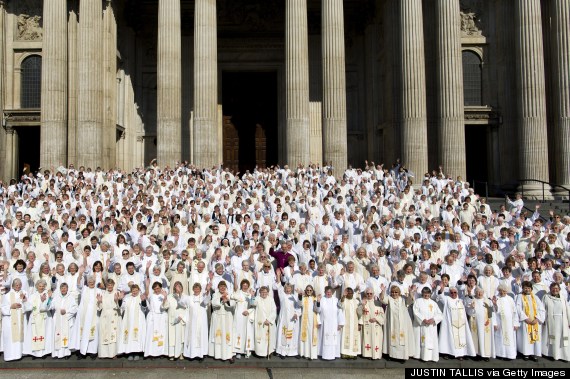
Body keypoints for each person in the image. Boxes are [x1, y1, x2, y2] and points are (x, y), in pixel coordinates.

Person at [437, 286, 475, 360]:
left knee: (461, 338)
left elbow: (468, 301)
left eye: (455, 292)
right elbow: (440, 296)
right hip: (450, 324)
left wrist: (469, 292)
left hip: (461, 324)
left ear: (457, 293)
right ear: (449, 293)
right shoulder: (447, 299)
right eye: (451, 292)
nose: (453, 294)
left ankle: (461, 354)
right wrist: (441, 290)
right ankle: (447, 353)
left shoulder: (461, 300)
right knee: (449, 338)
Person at [381, 284, 415, 360]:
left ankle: (402, 356)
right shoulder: (389, 299)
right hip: (392, 323)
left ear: (399, 293)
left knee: (402, 340)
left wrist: (410, 292)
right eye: (392, 292)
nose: (394, 294)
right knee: (392, 339)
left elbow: (410, 301)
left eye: (396, 292)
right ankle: (392, 355)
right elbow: (382, 299)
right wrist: (383, 291)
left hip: (402, 324)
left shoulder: (403, 299)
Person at [515, 281, 546, 361]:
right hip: (525, 321)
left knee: (535, 337)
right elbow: (518, 308)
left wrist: (537, 318)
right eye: (525, 288)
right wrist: (526, 318)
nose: (527, 289)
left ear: (531, 289)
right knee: (525, 338)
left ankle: (534, 353)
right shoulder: (519, 297)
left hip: (535, 322)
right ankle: (526, 353)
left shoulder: (535, 297)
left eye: (529, 288)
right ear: (523, 288)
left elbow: (541, 309)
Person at [23, 279, 53, 358]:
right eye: (40, 286)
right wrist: (25, 301)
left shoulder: (47, 294)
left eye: (43, 286)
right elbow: (29, 307)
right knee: (34, 335)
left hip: (45, 318)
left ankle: (44, 352)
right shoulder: (33, 295)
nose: (41, 287)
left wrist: (45, 301)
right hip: (35, 318)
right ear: (36, 286)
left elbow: (49, 306)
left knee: (45, 335)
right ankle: (35, 353)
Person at [73, 275, 101, 358]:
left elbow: (101, 303)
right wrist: (80, 274)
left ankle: (92, 352)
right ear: (87, 283)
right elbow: (78, 285)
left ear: (94, 282)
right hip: (84, 315)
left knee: (94, 333)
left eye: (92, 282)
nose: (91, 283)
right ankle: (82, 352)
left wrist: (100, 301)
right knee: (83, 333)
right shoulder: (84, 289)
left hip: (94, 314)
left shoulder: (99, 290)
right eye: (89, 282)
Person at [412, 287, 443, 362]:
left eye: (428, 293)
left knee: (430, 341)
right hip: (421, 325)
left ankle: (431, 357)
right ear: (422, 293)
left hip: (431, 326)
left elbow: (440, 314)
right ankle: (419, 355)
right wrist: (423, 319)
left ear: (430, 294)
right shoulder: (418, 301)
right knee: (420, 339)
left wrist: (433, 320)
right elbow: (415, 312)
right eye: (425, 293)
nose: (426, 295)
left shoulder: (433, 303)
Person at [541, 283, 570, 361]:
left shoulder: (563, 298)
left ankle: (563, 355)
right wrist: (542, 320)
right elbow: (542, 309)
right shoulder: (546, 297)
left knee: (561, 338)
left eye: (556, 288)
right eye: (553, 288)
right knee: (551, 337)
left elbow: (567, 309)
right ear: (550, 289)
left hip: (562, 321)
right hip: (550, 320)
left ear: (559, 289)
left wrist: (569, 321)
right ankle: (550, 354)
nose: (555, 290)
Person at [1, 278, 29, 361]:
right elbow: (3, 308)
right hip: (10, 320)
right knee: (10, 337)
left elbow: (28, 307)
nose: (18, 286)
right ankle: (10, 356)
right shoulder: (7, 295)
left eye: (20, 284)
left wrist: (24, 301)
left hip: (21, 319)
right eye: (16, 285)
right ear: (12, 286)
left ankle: (20, 354)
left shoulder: (24, 293)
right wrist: (11, 307)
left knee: (20, 336)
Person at [118, 283, 146, 360]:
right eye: (133, 291)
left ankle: (136, 353)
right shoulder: (127, 299)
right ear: (131, 291)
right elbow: (122, 307)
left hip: (139, 321)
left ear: (139, 290)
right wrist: (120, 299)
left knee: (137, 336)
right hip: (129, 321)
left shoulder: (141, 297)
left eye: (136, 290)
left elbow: (145, 308)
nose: (135, 292)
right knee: (129, 336)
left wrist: (144, 301)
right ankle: (130, 353)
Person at [466, 287, 495, 361]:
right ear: (475, 292)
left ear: (483, 293)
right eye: (478, 292)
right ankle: (477, 354)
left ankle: (486, 355)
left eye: (481, 292)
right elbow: (468, 313)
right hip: (475, 323)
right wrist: (471, 308)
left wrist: (493, 322)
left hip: (486, 324)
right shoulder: (472, 300)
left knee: (485, 339)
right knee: (477, 338)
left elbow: (491, 313)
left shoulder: (488, 301)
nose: (479, 293)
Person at [209, 281, 236, 362]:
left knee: (227, 336)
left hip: (227, 318)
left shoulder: (229, 294)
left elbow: (233, 304)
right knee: (218, 336)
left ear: (226, 287)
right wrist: (221, 298)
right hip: (218, 318)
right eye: (221, 286)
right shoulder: (215, 294)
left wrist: (227, 301)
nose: (222, 288)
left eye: (224, 286)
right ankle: (217, 354)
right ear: (218, 287)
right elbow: (213, 303)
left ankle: (229, 355)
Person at [316, 286, 345, 360]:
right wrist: (318, 302)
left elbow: (340, 311)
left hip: (334, 324)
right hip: (324, 323)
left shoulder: (336, 300)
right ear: (325, 292)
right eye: (327, 292)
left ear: (332, 292)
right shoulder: (322, 299)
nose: (328, 293)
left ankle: (333, 354)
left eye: (330, 292)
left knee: (333, 339)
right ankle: (322, 354)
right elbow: (318, 311)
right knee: (324, 339)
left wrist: (340, 323)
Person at [183, 282, 210, 360]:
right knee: (192, 336)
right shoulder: (189, 298)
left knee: (201, 335)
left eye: (198, 288)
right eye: (195, 288)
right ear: (193, 289)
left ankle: (202, 354)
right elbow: (183, 304)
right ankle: (192, 353)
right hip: (192, 321)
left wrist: (208, 291)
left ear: (200, 290)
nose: (196, 290)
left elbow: (206, 301)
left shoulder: (203, 296)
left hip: (202, 320)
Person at [50, 283, 77, 359]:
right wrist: (49, 299)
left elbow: (75, 308)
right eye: (62, 288)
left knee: (65, 336)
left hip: (66, 320)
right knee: (57, 335)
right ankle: (56, 353)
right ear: (60, 289)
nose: (63, 289)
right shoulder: (56, 297)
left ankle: (66, 354)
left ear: (67, 289)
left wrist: (66, 312)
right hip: (58, 320)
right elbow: (51, 306)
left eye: (65, 288)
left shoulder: (71, 297)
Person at [493, 284, 519, 360]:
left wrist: (516, 323)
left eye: (504, 291)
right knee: (500, 338)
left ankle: (509, 354)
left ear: (506, 291)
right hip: (500, 322)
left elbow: (515, 312)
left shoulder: (510, 299)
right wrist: (494, 323)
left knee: (510, 339)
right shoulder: (496, 298)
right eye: (500, 291)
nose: (502, 292)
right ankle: (501, 354)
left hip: (509, 324)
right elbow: (493, 312)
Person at [275, 280, 300, 358]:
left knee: (293, 335)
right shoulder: (282, 295)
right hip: (284, 319)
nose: (288, 290)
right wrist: (278, 277)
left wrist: (296, 314)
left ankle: (293, 352)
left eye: (289, 288)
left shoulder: (294, 296)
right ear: (284, 289)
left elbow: (298, 306)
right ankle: (282, 352)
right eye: (287, 288)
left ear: (291, 289)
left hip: (293, 319)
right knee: (283, 334)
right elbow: (279, 285)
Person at [145, 281, 170, 358]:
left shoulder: (164, 295)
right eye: (155, 289)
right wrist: (147, 286)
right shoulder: (151, 296)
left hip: (162, 316)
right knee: (152, 335)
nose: (157, 290)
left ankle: (161, 352)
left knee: (162, 334)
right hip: (153, 317)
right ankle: (152, 352)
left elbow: (166, 306)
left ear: (161, 288)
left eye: (158, 288)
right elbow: (146, 296)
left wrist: (165, 297)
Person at [97, 278, 121, 358]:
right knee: (104, 334)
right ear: (106, 286)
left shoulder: (117, 293)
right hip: (104, 316)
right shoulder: (103, 293)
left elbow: (120, 307)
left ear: (113, 285)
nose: (109, 286)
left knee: (113, 335)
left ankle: (113, 353)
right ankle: (104, 354)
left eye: (111, 284)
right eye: (108, 285)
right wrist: (99, 302)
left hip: (114, 316)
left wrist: (117, 300)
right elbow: (99, 308)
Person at [231, 279, 255, 359]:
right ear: (241, 286)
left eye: (246, 285)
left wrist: (251, 296)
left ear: (248, 286)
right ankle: (238, 351)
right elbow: (232, 296)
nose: (245, 287)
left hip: (247, 316)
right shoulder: (238, 293)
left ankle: (246, 351)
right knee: (238, 332)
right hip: (238, 316)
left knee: (247, 333)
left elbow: (253, 306)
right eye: (243, 285)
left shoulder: (250, 294)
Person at [359, 287, 384, 360]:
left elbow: (382, 315)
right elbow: (359, 313)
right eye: (368, 293)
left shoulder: (378, 303)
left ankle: (376, 355)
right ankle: (368, 355)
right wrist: (362, 305)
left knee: (376, 341)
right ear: (365, 294)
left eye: (371, 293)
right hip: (367, 326)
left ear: (373, 294)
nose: (369, 295)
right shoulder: (363, 302)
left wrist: (376, 319)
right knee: (367, 340)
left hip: (376, 326)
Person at [252, 286, 277, 357]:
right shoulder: (257, 298)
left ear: (268, 293)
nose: (264, 293)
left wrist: (269, 320)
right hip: (260, 322)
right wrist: (252, 296)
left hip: (269, 322)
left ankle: (269, 351)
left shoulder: (271, 299)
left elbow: (274, 310)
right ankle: (259, 353)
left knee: (269, 337)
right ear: (259, 292)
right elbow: (252, 303)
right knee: (260, 338)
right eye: (262, 292)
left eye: (265, 292)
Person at [167, 281, 188, 360]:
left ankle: (181, 353)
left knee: (181, 336)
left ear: (182, 288)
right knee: (172, 336)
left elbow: (187, 308)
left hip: (181, 318)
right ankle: (172, 354)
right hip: (172, 319)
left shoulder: (185, 297)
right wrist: (165, 298)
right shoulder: (170, 296)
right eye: (176, 286)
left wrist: (182, 317)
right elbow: (166, 306)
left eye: (179, 286)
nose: (178, 288)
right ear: (174, 288)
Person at [340, 287, 361, 359]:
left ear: (353, 293)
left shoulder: (357, 301)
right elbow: (340, 305)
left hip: (354, 324)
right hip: (346, 324)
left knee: (354, 339)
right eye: (348, 293)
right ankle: (345, 353)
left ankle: (353, 354)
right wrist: (343, 296)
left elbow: (360, 313)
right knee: (346, 338)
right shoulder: (344, 300)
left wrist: (359, 323)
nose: (350, 294)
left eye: (351, 293)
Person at [298, 285, 319, 360]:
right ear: (305, 291)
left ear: (312, 291)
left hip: (313, 320)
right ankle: (304, 353)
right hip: (305, 320)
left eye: (310, 290)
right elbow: (299, 304)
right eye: (307, 290)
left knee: (312, 336)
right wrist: (300, 296)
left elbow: (317, 310)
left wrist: (318, 302)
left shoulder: (315, 299)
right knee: (305, 336)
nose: (309, 292)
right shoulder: (304, 298)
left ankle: (312, 355)